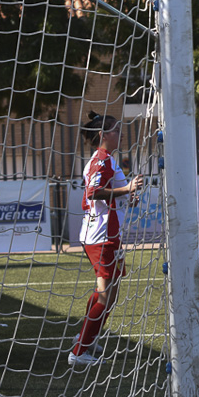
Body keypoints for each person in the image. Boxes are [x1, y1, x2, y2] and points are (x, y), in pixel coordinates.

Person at [72, 111, 143, 367]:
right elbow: (93, 193)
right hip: (101, 236)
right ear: (103, 135)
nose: (120, 134)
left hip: (104, 234)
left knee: (106, 294)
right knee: (107, 296)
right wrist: (128, 189)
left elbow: (107, 194)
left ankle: (85, 340)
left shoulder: (106, 160)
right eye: (116, 130)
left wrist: (127, 197)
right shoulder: (101, 160)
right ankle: (79, 351)